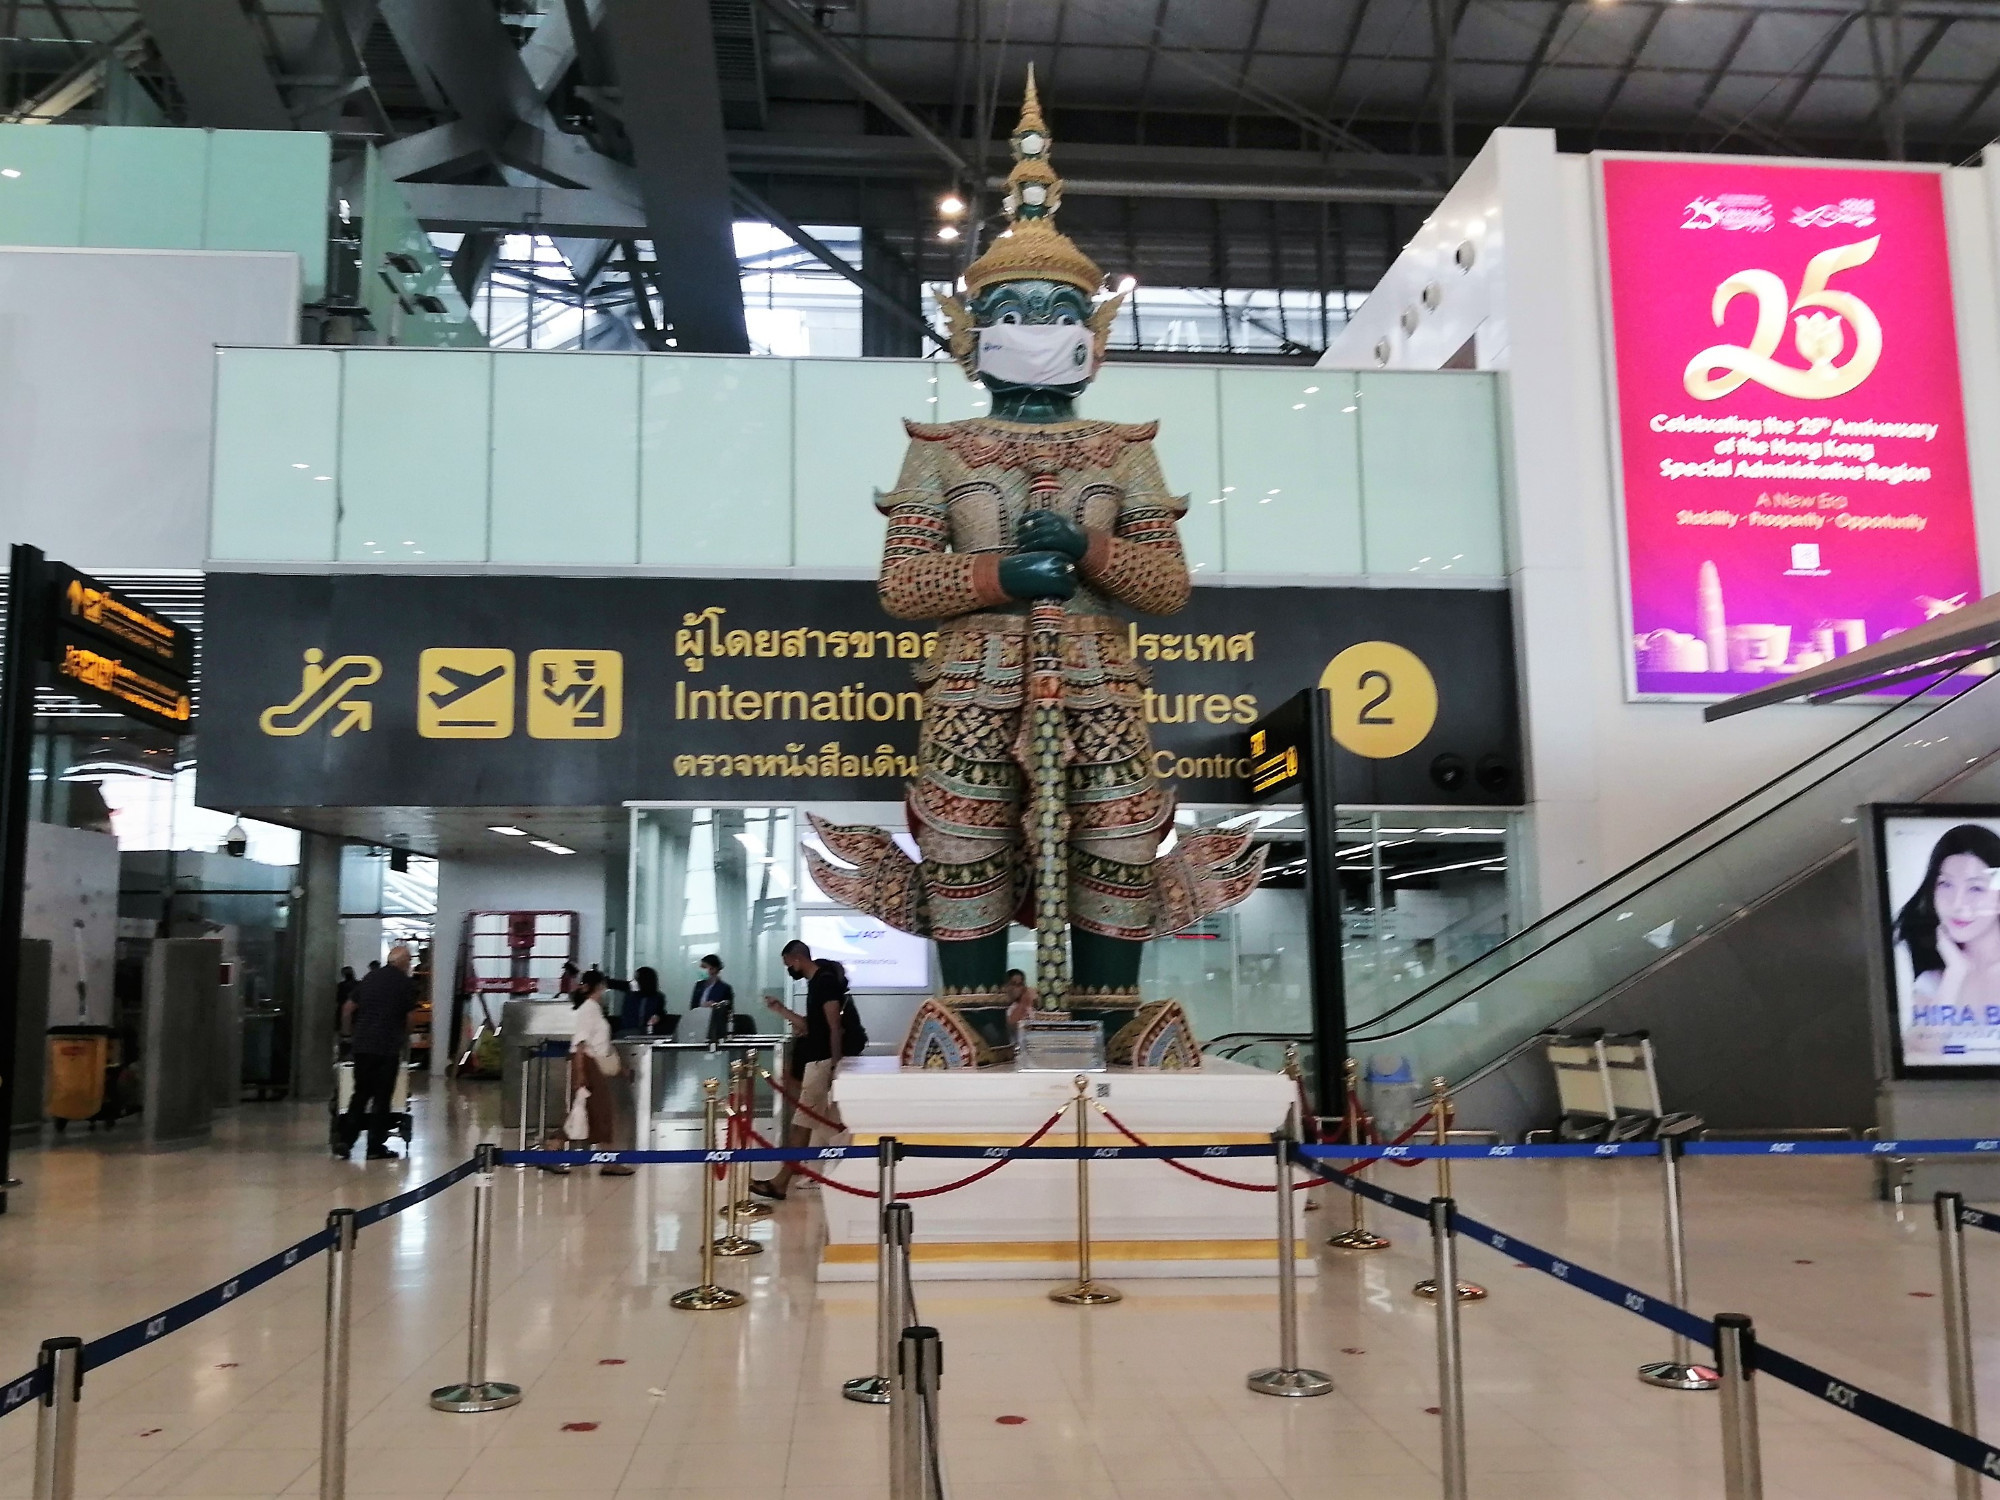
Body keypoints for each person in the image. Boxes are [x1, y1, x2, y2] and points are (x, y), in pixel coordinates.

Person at [752, 942, 862, 1200]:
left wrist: (836, 1065)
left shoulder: (824, 983)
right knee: (829, 1125)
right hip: (819, 1060)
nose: (790, 969)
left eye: (789, 964)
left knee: (802, 1124)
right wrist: (781, 1010)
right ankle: (828, 1172)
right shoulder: (816, 984)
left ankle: (781, 1183)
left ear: (796, 958)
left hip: (822, 1062)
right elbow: (812, 1026)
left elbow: (835, 1027)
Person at [1896, 824, 2000, 1038]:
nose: (1958, 903)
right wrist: (1956, 973)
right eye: (1946, 884)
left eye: (1976, 888)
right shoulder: (1933, 981)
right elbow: (1920, 1054)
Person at [336, 945, 414, 1160]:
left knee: (360, 1094)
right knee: (382, 1098)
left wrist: (347, 1035)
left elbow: (347, 1008)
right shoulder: (405, 984)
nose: (410, 964)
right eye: (409, 960)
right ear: (402, 961)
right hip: (387, 1048)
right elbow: (409, 1019)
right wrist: (405, 1038)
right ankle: (374, 1147)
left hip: (362, 1047)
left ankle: (345, 1140)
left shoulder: (369, 978)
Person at [566, 968, 634, 1177]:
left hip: (593, 1064)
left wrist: (619, 1067)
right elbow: (580, 1044)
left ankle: (554, 1150)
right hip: (588, 1065)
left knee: (590, 1111)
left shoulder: (594, 1008)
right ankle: (609, 1161)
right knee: (600, 1112)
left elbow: (600, 1043)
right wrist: (580, 1074)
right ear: (601, 986)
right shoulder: (588, 1009)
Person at [688, 954, 734, 1041]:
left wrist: (714, 1007)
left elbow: (728, 1012)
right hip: (697, 1025)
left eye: (704, 967)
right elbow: (692, 1007)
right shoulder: (699, 986)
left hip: (715, 1028)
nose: (701, 970)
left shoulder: (724, 988)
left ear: (713, 969)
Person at [617, 965, 671, 1037]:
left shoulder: (657, 997)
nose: (634, 981)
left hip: (647, 1032)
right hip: (628, 1032)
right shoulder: (630, 994)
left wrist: (657, 1017)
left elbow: (660, 1013)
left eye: (636, 979)